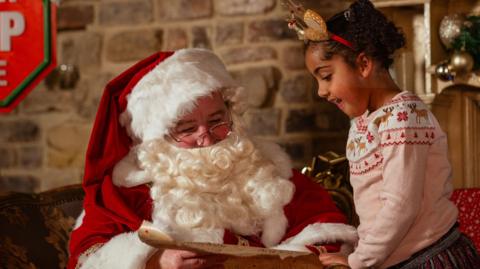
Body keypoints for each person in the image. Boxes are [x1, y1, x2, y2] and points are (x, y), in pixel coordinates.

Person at [67, 48, 358, 269]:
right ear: (157, 137)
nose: (207, 137)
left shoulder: (265, 168)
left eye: (217, 120)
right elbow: (88, 258)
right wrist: (155, 260)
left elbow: (323, 225)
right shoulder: (126, 191)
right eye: (188, 129)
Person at [286, 0, 480, 268]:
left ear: (363, 64)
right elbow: (373, 207)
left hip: (429, 259)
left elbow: (400, 206)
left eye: (327, 76)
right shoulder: (364, 120)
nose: (321, 91)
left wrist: (358, 262)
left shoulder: (404, 116)